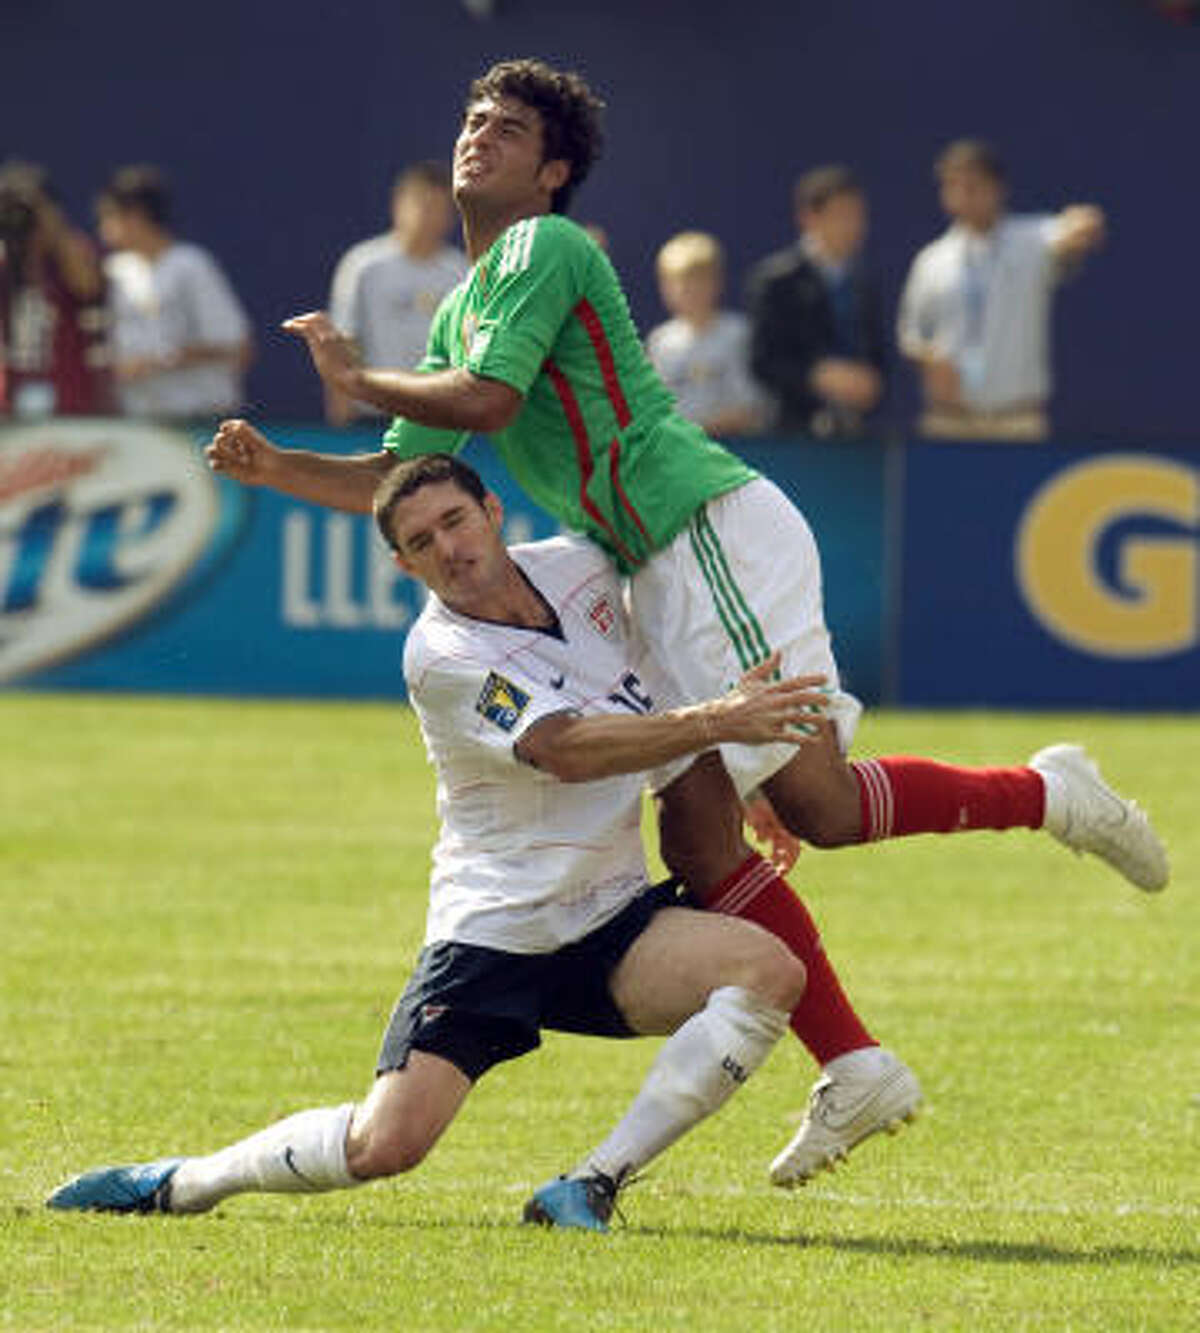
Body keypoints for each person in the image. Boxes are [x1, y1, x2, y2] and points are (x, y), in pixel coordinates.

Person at [205, 58, 1167, 1189]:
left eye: (509, 129)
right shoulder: (471, 298)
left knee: (817, 804)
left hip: (696, 527)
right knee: (703, 839)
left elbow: (489, 406)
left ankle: (1048, 793)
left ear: (553, 170)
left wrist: (359, 374)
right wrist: (278, 466)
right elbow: (419, 473)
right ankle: (854, 1060)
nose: (480, 138)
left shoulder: (545, 247)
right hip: (647, 569)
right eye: (473, 119)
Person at [46, 452, 817, 1231]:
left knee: (765, 972)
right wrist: (720, 720)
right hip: (496, 931)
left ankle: (589, 1185)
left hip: (607, 920)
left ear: (493, 509)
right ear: (401, 564)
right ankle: (183, 1182)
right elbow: (563, 745)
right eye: (421, 542)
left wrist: (745, 780)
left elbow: (654, 682)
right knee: (384, 1143)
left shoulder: (582, 571)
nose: (448, 547)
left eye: (455, 519)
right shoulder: (441, 656)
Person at [897, 139, 1106, 442]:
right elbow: (911, 334)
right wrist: (929, 360)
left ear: (997, 188)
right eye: (953, 186)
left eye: (973, 186)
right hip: (949, 422)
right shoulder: (931, 260)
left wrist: (1081, 227)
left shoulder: (1034, 240)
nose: (962, 196)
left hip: (1016, 421)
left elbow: (1079, 227)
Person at [96, 164, 252, 421]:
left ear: (136, 216)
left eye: (109, 217)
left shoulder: (191, 264)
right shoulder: (116, 270)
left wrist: (158, 362)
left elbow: (238, 347)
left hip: (202, 419)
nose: (103, 228)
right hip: (139, 421)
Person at [745, 165, 885, 439]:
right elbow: (762, 362)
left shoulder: (863, 283)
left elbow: (877, 357)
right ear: (809, 218)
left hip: (856, 437)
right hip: (792, 437)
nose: (854, 226)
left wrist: (870, 384)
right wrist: (817, 376)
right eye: (842, 215)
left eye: (858, 216)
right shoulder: (776, 281)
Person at [325, 161, 468, 426]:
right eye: (422, 206)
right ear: (398, 206)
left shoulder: (460, 272)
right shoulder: (364, 265)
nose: (429, 217)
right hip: (374, 413)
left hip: (437, 415)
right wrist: (341, 410)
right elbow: (342, 340)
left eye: (439, 208)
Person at [0, 160, 109, 418]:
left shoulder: (70, 252)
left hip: (71, 396)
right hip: (12, 398)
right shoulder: (5, 260)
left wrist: (52, 228)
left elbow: (88, 287)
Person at [646, 230, 766, 437]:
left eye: (697, 280)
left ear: (716, 282)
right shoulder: (660, 342)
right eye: (677, 281)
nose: (686, 289)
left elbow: (750, 410)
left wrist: (697, 430)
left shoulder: (739, 334)